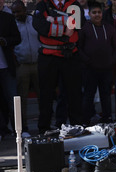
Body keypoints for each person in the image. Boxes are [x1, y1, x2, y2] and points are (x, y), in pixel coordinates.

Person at [32, 0, 85, 134]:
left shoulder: (74, 4)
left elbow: (78, 24)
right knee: (46, 94)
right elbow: (40, 26)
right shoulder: (42, 4)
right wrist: (65, 25)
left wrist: (52, 20)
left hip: (70, 55)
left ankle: (76, 126)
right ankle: (44, 128)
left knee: (74, 94)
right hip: (48, 56)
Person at [78, 1, 116, 124]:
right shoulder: (84, 28)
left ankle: (107, 118)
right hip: (90, 68)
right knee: (88, 96)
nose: (97, 15)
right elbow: (78, 47)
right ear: (89, 14)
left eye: (99, 12)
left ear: (102, 13)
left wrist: (112, 60)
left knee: (106, 95)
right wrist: (87, 60)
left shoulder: (109, 27)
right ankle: (85, 120)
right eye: (94, 12)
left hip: (106, 68)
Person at [12, 0, 40, 137]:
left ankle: (44, 124)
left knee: (43, 95)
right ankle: (23, 128)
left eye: (18, 11)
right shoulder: (12, 24)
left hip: (38, 63)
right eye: (14, 12)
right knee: (21, 98)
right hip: (22, 65)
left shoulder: (34, 20)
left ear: (24, 9)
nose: (16, 14)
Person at [0, 7, 21, 138]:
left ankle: (19, 129)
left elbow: (17, 38)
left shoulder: (7, 18)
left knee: (13, 99)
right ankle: (2, 130)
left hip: (6, 67)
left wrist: (5, 41)